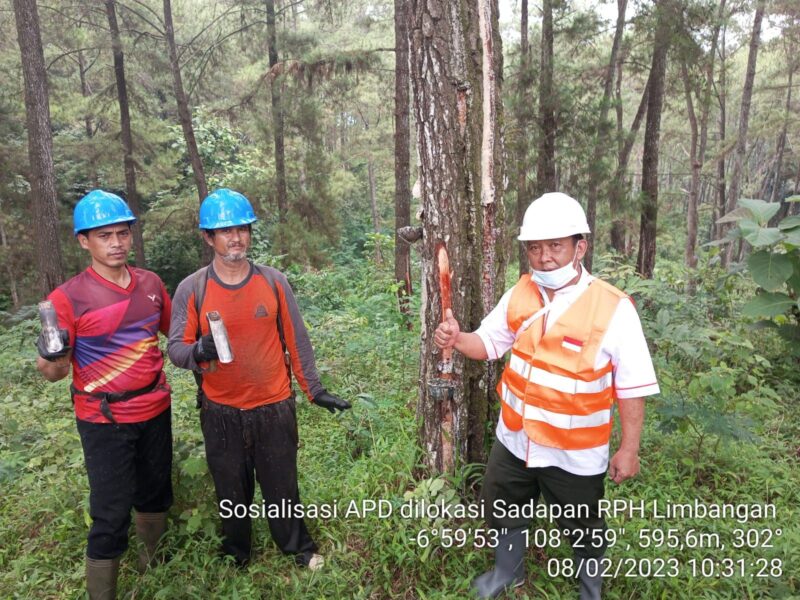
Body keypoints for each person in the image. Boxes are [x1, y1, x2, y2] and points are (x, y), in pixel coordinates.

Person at [434, 192, 659, 599]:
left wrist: (630, 448)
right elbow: (487, 342)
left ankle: (590, 588)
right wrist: (457, 337)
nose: (544, 257)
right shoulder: (521, 293)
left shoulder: (613, 308)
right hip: (515, 438)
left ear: (580, 247)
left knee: (582, 523)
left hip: (573, 453)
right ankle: (507, 573)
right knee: (503, 504)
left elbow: (633, 385)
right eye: (535, 248)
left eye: (555, 245)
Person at [167, 188, 351, 570]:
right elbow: (176, 350)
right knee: (230, 487)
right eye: (224, 231)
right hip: (221, 409)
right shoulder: (193, 288)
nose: (235, 238)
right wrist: (198, 351)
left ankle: (297, 547)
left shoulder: (273, 281)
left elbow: (296, 339)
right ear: (208, 237)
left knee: (281, 481)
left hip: (273, 405)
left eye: (242, 229)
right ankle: (237, 552)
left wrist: (314, 390)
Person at [36, 190, 173, 600]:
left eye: (122, 233)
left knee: (155, 494)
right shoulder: (68, 297)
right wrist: (51, 357)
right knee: (110, 513)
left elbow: (175, 334)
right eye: (104, 236)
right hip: (104, 420)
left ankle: (156, 565)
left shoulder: (150, 284)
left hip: (155, 406)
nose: (116, 243)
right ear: (84, 241)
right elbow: (53, 372)